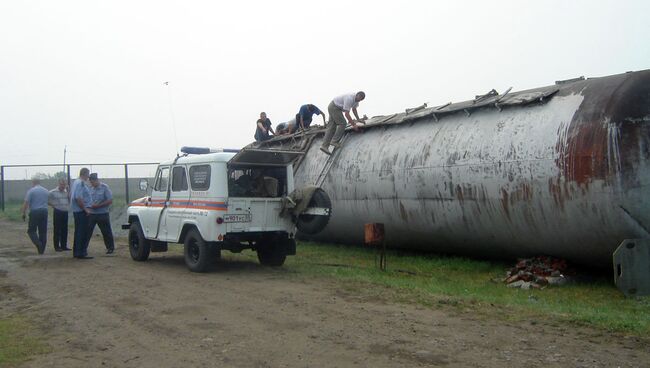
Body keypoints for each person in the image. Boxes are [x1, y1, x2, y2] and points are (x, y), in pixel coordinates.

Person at [87, 173, 115, 254]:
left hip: (102, 213)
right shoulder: (90, 188)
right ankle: (84, 248)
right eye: (90, 182)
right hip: (92, 213)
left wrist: (99, 206)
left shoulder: (104, 188)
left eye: (92, 182)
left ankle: (110, 248)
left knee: (106, 231)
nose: (92, 183)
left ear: (96, 180)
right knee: (88, 231)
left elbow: (110, 200)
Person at [21, 177, 50, 254]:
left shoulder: (31, 191)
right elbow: (49, 201)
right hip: (44, 211)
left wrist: (23, 213)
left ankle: (38, 244)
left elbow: (26, 203)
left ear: (33, 183)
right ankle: (42, 250)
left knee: (31, 230)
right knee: (43, 231)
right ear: (39, 182)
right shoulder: (46, 191)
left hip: (34, 212)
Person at [70, 168, 93, 259]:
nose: (88, 176)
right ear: (85, 174)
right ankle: (80, 252)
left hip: (78, 211)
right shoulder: (81, 183)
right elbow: (78, 198)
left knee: (79, 231)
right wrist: (85, 209)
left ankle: (77, 251)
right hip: (81, 212)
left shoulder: (76, 182)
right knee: (82, 232)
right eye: (88, 174)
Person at [48, 178, 71, 251]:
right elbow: (46, 199)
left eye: (64, 184)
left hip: (65, 211)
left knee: (65, 229)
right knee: (57, 229)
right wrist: (52, 205)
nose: (63, 186)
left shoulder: (66, 192)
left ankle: (64, 245)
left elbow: (70, 200)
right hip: (58, 211)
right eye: (61, 184)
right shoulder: (53, 192)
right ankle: (57, 246)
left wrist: (68, 191)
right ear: (58, 184)